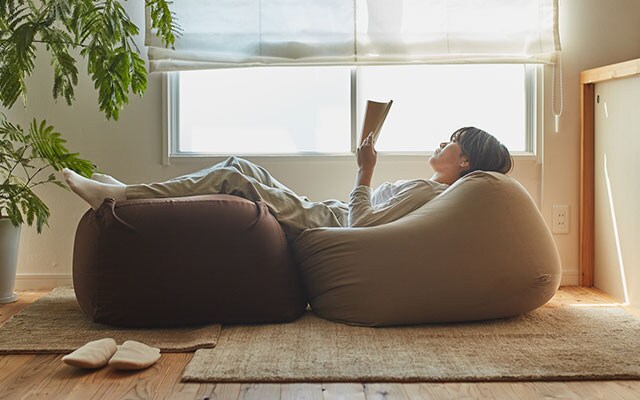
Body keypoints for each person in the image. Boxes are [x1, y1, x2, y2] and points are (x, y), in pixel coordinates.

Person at [64, 126, 512, 241]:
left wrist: (365, 169)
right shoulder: (434, 191)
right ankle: (129, 192)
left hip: (322, 220)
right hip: (322, 207)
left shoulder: (430, 191)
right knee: (240, 164)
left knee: (231, 176)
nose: (442, 143)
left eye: (451, 142)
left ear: (465, 159)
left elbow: (362, 226)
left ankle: (119, 197)